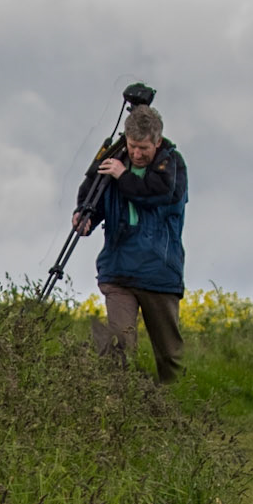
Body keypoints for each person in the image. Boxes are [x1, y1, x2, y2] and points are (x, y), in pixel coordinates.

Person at [73, 103, 188, 382]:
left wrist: (122, 176)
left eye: (144, 148)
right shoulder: (113, 161)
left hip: (159, 273)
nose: (136, 153)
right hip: (118, 271)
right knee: (119, 348)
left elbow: (156, 194)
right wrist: (84, 218)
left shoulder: (172, 165)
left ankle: (177, 406)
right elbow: (92, 196)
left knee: (169, 354)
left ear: (157, 142)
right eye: (132, 145)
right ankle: (121, 408)